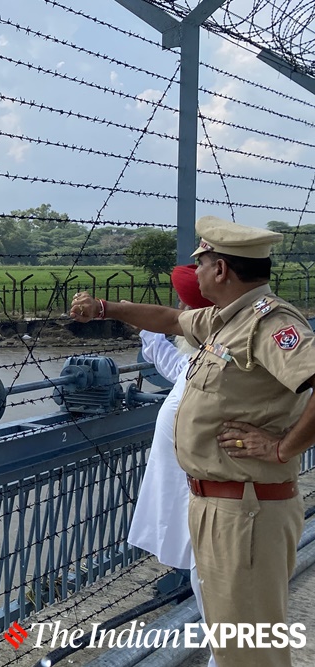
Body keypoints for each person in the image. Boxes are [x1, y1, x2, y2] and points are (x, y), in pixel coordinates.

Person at [70, 216, 315, 667]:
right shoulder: (228, 321)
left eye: (200, 261)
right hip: (217, 504)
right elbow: (169, 319)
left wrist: (284, 449)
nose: (195, 271)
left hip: (247, 510)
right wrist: (106, 308)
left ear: (220, 270)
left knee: (251, 650)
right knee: (231, 642)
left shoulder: (269, 323)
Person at [126, 264, 214, 666]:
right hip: (197, 494)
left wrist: (281, 449)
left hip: (212, 497)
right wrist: (145, 329)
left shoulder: (222, 355)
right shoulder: (202, 358)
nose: (176, 306)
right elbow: (175, 367)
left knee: (214, 582)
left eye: (181, 303)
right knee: (207, 582)